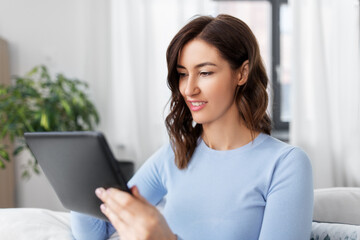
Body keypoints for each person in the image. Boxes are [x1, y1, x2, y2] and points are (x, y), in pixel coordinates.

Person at [71, 14, 313, 240]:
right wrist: (77, 182)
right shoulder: (175, 155)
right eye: (183, 74)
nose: (188, 89)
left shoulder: (285, 164)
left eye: (205, 72)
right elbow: (97, 231)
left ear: (242, 73)